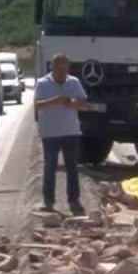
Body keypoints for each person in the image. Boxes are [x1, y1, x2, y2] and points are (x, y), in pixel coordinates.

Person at [34, 53, 90, 215]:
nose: (62, 73)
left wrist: (72, 103)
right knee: (49, 167)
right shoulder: (43, 83)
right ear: (52, 68)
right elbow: (37, 105)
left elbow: (84, 103)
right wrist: (55, 100)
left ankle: (74, 200)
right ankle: (48, 201)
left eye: (64, 70)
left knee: (72, 167)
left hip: (70, 131)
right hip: (50, 133)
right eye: (59, 69)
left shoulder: (74, 82)